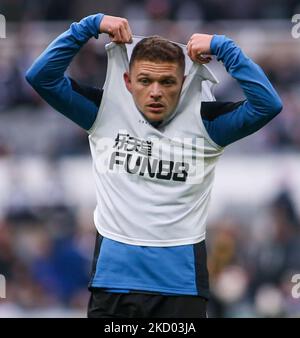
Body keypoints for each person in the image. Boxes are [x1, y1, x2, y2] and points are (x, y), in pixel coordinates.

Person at [25, 13, 282, 318]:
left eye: (167, 81)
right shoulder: (102, 113)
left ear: (184, 82)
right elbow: (40, 77)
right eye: (145, 81)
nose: (156, 91)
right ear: (128, 82)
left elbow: (268, 104)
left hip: (180, 286)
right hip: (113, 283)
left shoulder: (208, 123)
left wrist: (223, 47)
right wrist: (89, 26)